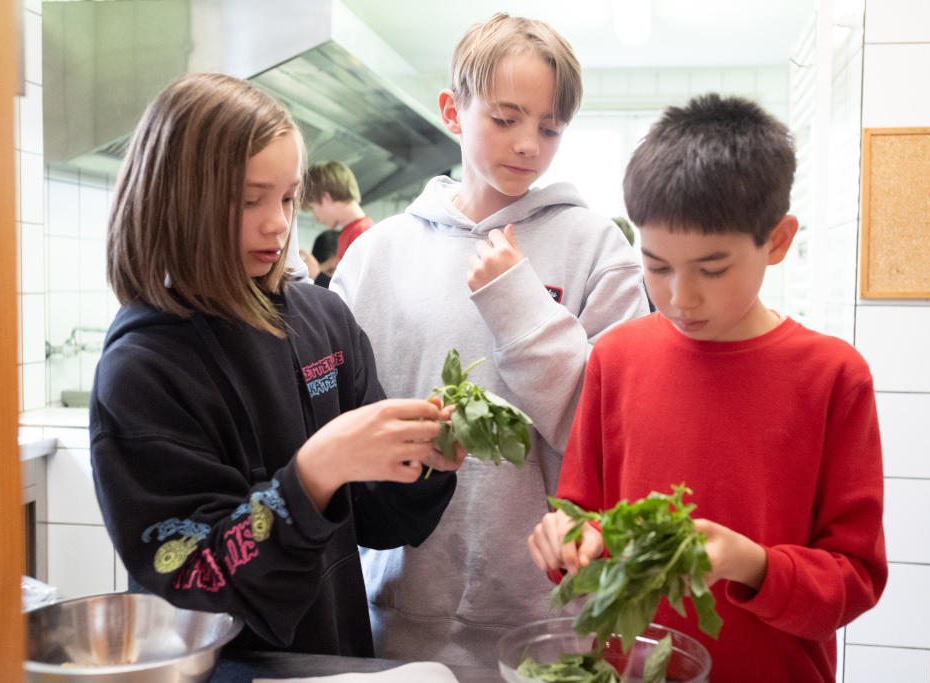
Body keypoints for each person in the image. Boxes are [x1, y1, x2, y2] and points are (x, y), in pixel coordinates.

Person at [89, 73, 464, 657]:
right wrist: (314, 471)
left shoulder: (324, 321)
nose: (278, 224)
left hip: (334, 657)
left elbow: (379, 520)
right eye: (248, 200)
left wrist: (422, 464)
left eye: (288, 197)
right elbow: (198, 580)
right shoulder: (142, 370)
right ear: (177, 200)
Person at [527, 94, 887, 683]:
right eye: (657, 265)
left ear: (777, 240)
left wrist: (754, 565)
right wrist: (568, 543)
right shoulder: (616, 358)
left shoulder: (832, 375)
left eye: (711, 269)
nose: (679, 297)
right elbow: (583, 517)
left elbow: (855, 580)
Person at [330, 13, 650, 667]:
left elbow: (616, 431)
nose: (529, 143)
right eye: (505, 119)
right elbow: (336, 429)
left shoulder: (597, 249)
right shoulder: (374, 257)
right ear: (452, 110)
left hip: (550, 623)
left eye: (550, 127)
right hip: (395, 615)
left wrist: (521, 307)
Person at [303, 161, 374, 263]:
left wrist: (318, 275)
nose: (315, 218)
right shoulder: (352, 232)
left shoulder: (361, 233)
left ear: (327, 198)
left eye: (313, 208)